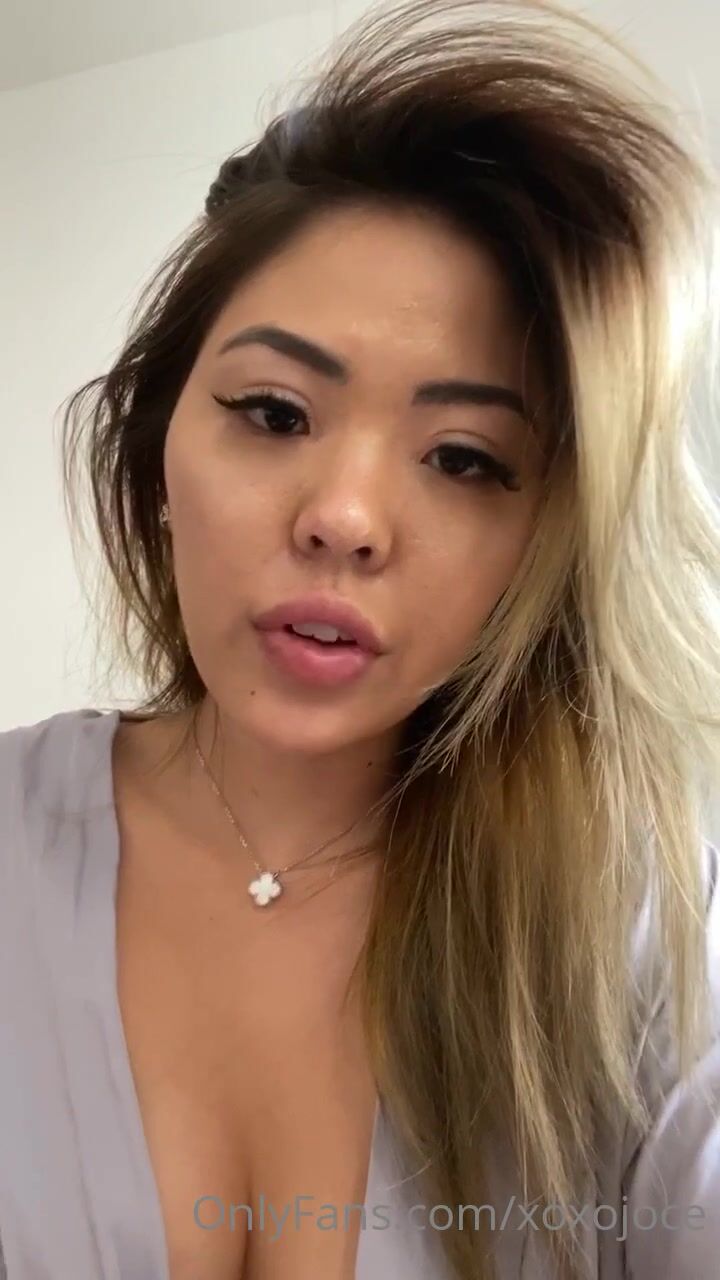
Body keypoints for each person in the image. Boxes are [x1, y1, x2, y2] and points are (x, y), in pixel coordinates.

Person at [1, 0, 720, 1276]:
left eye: (466, 458)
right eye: (275, 411)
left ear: (542, 540)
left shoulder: (643, 914)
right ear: (157, 443)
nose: (343, 517)